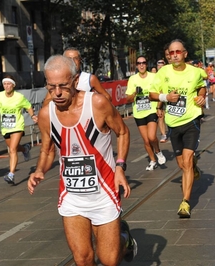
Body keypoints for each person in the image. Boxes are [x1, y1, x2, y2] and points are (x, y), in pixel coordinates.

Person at [27, 55, 137, 265]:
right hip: (72, 196)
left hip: (104, 192)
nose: (57, 93)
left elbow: (122, 132)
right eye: (51, 87)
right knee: (83, 259)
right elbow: (48, 150)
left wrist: (120, 167)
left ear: (76, 81)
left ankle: (125, 239)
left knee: (109, 260)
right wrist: (39, 170)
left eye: (63, 86)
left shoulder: (97, 103)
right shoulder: (45, 115)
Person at [149, 39, 206, 218]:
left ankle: (185, 202)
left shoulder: (196, 72)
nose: (174, 55)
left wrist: (201, 97)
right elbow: (152, 94)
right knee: (182, 164)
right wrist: (166, 97)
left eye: (178, 52)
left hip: (191, 121)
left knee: (187, 161)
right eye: (171, 53)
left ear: (185, 53)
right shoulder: (163, 72)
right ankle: (193, 167)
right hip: (173, 124)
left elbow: (201, 87)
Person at [0, 75, 38, 184]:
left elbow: (28, 106)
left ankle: (11, 174)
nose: (7, 86)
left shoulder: (19, 97)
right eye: (5, 84)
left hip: (17, 126)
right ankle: (25, 149)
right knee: (12, 148)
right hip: (6, 127)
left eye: (9, 84)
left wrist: (33, 115)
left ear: (13, 85)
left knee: (12, 150)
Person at [125, 56, 166, 170]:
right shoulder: (133, 79)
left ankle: (158, 152)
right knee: (146, 140)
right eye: (139, 63)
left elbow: (160, 92)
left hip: (151, 110)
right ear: (136, 65)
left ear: (146, 64)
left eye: (144, 62)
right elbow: (128, 99)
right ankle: (153, 160)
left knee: (152, 137)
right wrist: (134, 93)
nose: (141, 65)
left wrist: (159, 107)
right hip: (139, 113)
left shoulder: (154, 76)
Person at [43, 47, 111, 104]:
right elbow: (46, 103)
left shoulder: (89, 78)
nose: (72, 61)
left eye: (75, 58)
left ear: (80, 61)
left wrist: (91, 104)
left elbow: (107, 97)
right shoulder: (58, 80)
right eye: (69, 59)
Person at [157, 54, 168, 143]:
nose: (160, 66)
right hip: (158, 99)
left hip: (168, 98)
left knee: (168, 116)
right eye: (158, 65)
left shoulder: (168, 74)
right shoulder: (155, 76)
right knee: (161, 117)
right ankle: (163, 134)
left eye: (162, 64)